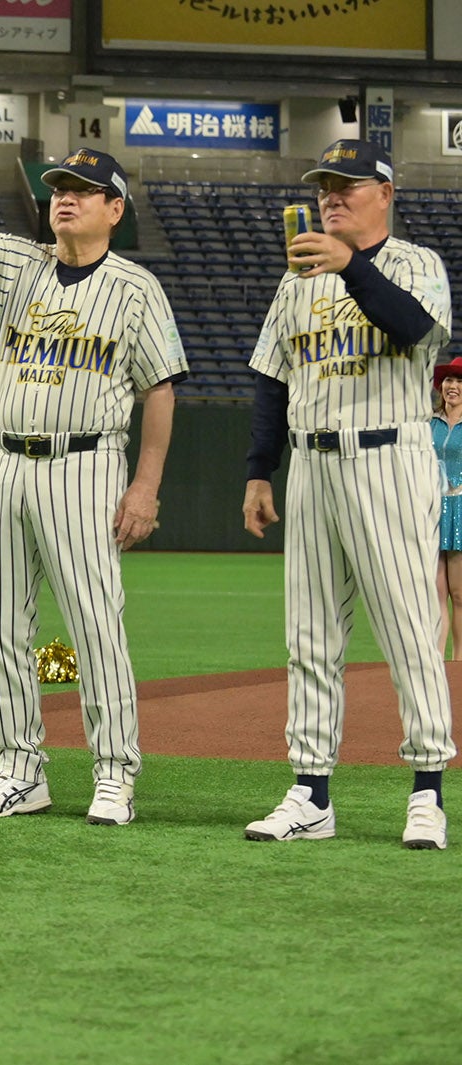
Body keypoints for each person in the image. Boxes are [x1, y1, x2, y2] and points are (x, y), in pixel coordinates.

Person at [0, 134, 185, 825]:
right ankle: (19, 768)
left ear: (116, 209)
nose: (64, 200)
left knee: (94, 624)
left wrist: (145, 487)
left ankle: (115, 772)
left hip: (86, 463)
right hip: (11, 463)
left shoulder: (136, 288)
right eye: (57, 190)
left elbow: (162, 389)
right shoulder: (21, 266)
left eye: (81, 191)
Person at [242, 139, 454, 849]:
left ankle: (428, 791)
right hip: (311, 466)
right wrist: (257, 470)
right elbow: (273, 379)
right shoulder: (294, 279)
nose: (332, 196)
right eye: (326, 187)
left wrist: (353, 266)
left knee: (409, 631)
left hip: (388, 457)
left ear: (386, 194)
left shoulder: (416, 263)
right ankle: (311, 793)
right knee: (309, 636)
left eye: (348, 185)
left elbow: (417, 329)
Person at [433, 357, 462, 660]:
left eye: (459, 381)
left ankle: (459, 660)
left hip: (461, 508)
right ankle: (436, 658)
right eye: (449, 380)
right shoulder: (428, 422)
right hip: (432, 510)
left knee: (459, 594)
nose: (452, 386)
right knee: (436, 592)